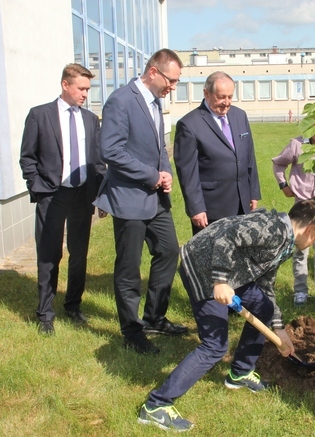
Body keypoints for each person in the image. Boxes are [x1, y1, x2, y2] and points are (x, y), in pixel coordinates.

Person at [137, 197, 315, 432]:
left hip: (231, 270)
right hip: (202, 267)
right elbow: (228, 237)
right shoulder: (274, 230)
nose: (314, 241)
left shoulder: (286, 241)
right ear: (310, 229)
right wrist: (220, 281)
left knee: (264, 307)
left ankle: (240, 372)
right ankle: (156, 405)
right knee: (215, 345)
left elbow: (266, 284)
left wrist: (279, 329)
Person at [94, 49, 187, 354]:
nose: (172, 86)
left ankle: (155, 317)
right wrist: (151, 175)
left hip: (156, 197)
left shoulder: (156, 102)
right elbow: (110, 150)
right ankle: (131, 330)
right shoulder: (121, 100)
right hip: (129, 197)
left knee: (168, 250)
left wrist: (166, 172)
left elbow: (160, 146)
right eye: (170, 80)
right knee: (129, 266)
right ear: (153, 72)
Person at [19, 63, 106, 335]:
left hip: (82, 195)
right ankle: (45, 313)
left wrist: (100, 194)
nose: (85, 94)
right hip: (52, 195)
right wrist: (38, 187)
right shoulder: (39, 115)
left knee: (78, 254)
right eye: (81, 89)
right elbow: (27, 157)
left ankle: (73, 305)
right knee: (49, 254)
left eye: (87, 90)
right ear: (65, 85)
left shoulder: (91, 119)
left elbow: (98, 161)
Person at [174, 71, 261, 236]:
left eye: (230, 97)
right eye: (221, 97)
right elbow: (187, 174)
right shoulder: (189, 125)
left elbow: (249, 157)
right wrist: (196, 208)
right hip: (212, 209)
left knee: (241, 255)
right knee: (213, 259)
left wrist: (253, 192)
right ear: (206, 93)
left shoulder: (239, 116)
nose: (226, 103)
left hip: (242, 204)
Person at [272, 127, 315, 307]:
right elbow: (279, 163)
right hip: (302, 206)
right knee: (301, 249)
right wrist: (283, 185)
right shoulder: (297, 145)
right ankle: (301, 291)